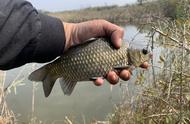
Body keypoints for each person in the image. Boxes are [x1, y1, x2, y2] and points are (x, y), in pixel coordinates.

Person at [0, 0, 148, 86]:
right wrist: (69, 35)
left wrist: (70, 34)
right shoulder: (124, 48)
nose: (145, 54)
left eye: (144, 52)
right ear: (133, 52)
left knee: (97, 76)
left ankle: (57, 73)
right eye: (143, 52)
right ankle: (52, 72)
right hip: (70, 55)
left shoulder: (125, 52)